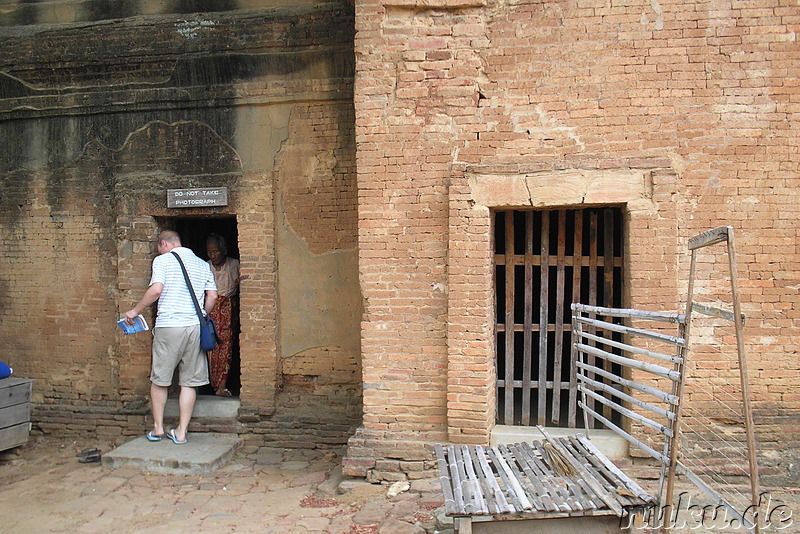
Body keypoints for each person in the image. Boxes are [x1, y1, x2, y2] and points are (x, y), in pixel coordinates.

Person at [124, 230, 217, 445]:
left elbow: (156, 290)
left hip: (169, 325)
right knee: (190, 382)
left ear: (164, 243)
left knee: (160, 379)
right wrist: (202, 314)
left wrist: (135, 311)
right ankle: (181, 432)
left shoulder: (163, 260)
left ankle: (158, 428)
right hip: (194, 326)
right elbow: (212, 295)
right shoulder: (202, 264)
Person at [205, 233, 241, 397]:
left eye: (216, 251)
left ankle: (222, 386)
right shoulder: (205, 267)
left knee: (225, 348)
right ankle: (210, 385)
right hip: (210, 312)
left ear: (224, 250)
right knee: (209, 349)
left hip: (227, 313)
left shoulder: (234, 265)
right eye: (210, 252)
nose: (213, 255)